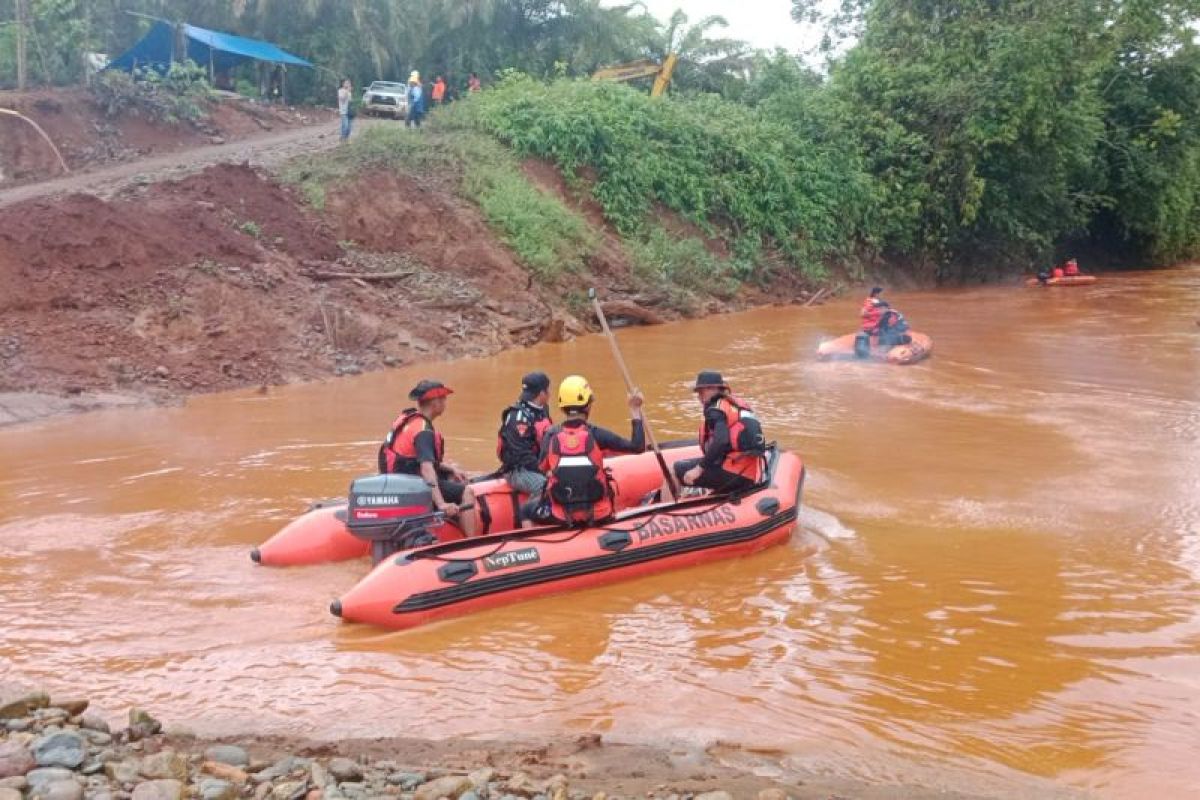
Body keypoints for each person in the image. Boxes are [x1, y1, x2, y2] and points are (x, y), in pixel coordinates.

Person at [523, 376, 646, 526]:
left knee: (526, 510)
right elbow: (637, 446)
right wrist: (635, 409)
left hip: (562, 516)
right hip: (599, 514)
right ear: (588, 406)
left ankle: (533, 548)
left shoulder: (551, 435)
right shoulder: (597, 434)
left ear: (562, 407)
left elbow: (541, 469)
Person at [377, 380, 478, 536]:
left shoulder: (410, 421)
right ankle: (471, 542)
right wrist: (441, 503)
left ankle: (453, 525)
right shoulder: (424, 431)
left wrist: (450, 468)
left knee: (452, 476)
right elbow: (426, 468)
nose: (445, 403)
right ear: (435, 403)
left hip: (398, 481)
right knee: (467, 492)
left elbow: (410, 458)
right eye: (444, 399)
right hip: (412, 486)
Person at [674, 372, 766, 495]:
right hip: (748, 473)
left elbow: (721, 441)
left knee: (672, 470)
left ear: (714, 389)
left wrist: (699, 469)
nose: (699, 397)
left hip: (733, 473)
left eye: (701, 392)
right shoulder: (732, 405)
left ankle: (664, 512)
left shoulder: (715, 410)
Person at [497, 372, 554, 524]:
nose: (550, 394)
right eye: (548, 390)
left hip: (537, 464)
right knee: (543, 485)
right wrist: (545, 471)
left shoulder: (543, 410)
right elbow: (522, 455)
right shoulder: (518, 418)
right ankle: (527, 521)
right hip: (518, 470)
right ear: (542, 393)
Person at [855, 286, 889, 357]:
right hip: (872, 327)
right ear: (876, 294)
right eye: (881, 293)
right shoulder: (870, 302)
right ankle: (882, 351)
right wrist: (878, 313)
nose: (882, 295)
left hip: (873, 326)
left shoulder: (876, 301)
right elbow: (862, 313)